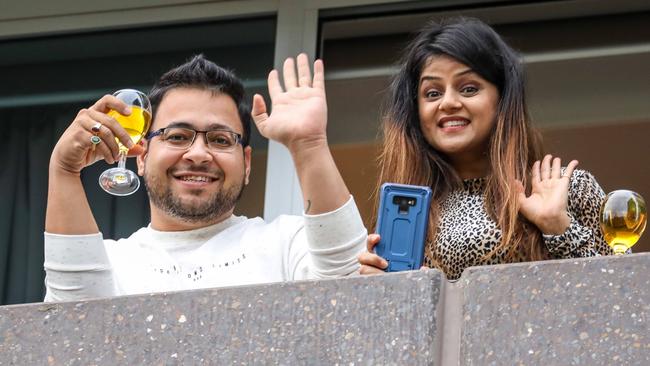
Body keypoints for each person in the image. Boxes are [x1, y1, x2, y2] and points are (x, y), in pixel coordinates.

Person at [44, 54, 367, 302]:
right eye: (177, 136)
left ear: (247, 163)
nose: (198, 154)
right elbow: (73, 324)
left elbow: (353, 292)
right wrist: (64, 169)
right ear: (140, 156)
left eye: (221, 140)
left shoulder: (287, 242)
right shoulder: (111, 262)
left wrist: (308, 145)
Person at [358, 18, 612, 280]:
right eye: (432, 93)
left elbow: (624, 296)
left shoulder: (566, 188)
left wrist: (559, 228)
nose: (448, 102)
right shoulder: (410, 214)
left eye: (468, 88)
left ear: (502, 98)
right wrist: (382, 290)